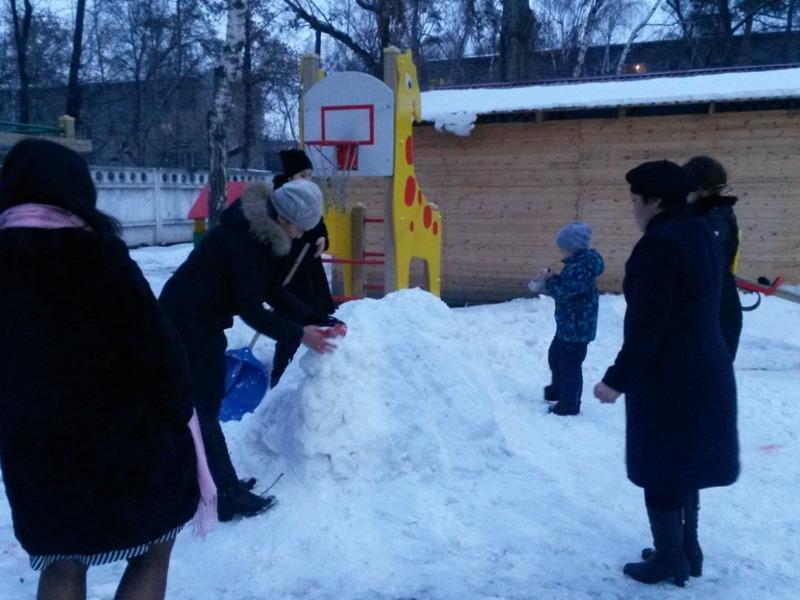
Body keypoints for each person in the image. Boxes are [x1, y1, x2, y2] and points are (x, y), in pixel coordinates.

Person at [0, 139, 201, 600]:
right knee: (153, 550)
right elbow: (160, 353)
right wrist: (181, 415)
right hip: (125, 450)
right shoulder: (99, 257)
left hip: (36, 459)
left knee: (62, 561)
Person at [159, 178, 340, 522]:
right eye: (301, 227)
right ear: (285, 218)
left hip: (198, 317)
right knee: (205, 406)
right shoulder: (246, 241)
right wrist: (302, 334)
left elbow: (270, 288)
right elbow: (251, 309)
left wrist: (313, 316)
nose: (301, 235)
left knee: (202, 403)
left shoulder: (258, 230)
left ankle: (213, 481)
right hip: (187, 321)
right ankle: (225, 494)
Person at [594, 160, 739, 587]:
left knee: (661, 465)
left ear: (654, 202)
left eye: (635, 202)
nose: (633, 211)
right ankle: (686, 549)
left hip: (669, 376)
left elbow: (649, 324)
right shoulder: (701, 231)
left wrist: (617, 380)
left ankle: (670, 561)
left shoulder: (659, 246)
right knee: (684, 463)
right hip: (704, 366)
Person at [270, 149, 336, 387]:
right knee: (290, 327)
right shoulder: (280, 200)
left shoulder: (308, 197)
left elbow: (319, 225)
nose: (307, 179)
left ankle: (312, 380)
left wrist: (321, 239)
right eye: (302, 174)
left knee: (315, 318)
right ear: (289, 177)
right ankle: (279, 380)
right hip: (288, 275)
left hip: (310, 270)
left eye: (310, 174)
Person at [529, 221, 604, 416]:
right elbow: (568, 288)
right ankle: (558, 390)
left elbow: (566, 293)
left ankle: (569, 404)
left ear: (572, 247)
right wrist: (552, 279)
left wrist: (549, 281)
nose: (561, 251)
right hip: (568, 326)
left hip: (577, 329)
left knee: (570, 366)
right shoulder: (575, 267)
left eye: (562, 247)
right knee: (555, 356)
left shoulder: (580, 269)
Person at [683, 155, 743, 360]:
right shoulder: (717, 214)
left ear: (701, 190)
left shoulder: (712, 219)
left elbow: (703, 267)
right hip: (717, 306)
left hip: (714, 311)